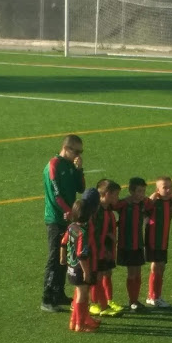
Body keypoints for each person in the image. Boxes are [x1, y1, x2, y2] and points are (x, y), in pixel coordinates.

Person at [42, 134, 85, 312]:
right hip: (56, 219)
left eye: (81, 151)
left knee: (65, 259)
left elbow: (80, 188)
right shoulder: (54, 165)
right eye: (76, 151)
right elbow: (55, 194)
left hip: (69, 218)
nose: (78, 154)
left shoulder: (69, 165)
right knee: (54, 258)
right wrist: (68, 211)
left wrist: (79, 170)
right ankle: (47, 298)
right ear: (66, 148)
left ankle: (58, 293)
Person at [61, 189, 101, 332]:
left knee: (80, 293)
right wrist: (87, 272)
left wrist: (63, 258)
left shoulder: (72, 227)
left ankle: (75, 321)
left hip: (72, 267)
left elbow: (63, 242)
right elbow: (82, 254)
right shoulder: (82, 232)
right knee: (82, 296)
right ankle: (80, 324)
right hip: (81, 268)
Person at [88, 179, 125, 317]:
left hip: (106, 249)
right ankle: (94, 303)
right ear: (107, 194)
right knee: (97, 275)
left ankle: (108, 301)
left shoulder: (108, 208)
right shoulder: (96, 210)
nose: (117, 198)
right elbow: (93, 230)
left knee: (107, 273)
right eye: (115, 195)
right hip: (97, 249)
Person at [114, 177, 151, 313]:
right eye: (139, 191)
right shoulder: (123, 204)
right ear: (131, 191)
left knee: (138, 273)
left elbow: (152, 204)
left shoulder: (143, 203)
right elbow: (111, 205)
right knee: (132, 273)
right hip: (127, 245)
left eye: (143, 191)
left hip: (138, 244)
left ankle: (135, 300)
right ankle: (132, 302)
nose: (142, 194)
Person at [145, 176, 172, 308]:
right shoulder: (153, 202)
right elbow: (143, 209)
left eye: (170, 186)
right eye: (165, 187)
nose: (169, 190)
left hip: (164, 241)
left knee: (161, 267)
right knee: (156, 266)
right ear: (157, 190)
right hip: (154, 240)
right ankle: (153, 296)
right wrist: (151, 198)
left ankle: (155, 295)